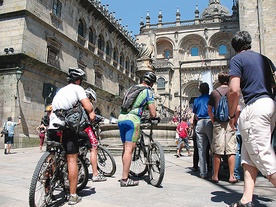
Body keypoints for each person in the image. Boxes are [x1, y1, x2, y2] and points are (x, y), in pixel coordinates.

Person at [228, 31, 276, 207]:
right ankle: (246, 200)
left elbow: (233, 90)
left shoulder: (237, 60)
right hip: (269, 105)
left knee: (263, 156)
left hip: (255, 108)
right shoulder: (265, 60)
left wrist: (232, 114)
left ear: (235, 48)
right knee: (248, 158)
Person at [48, 67, 95, 205]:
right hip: (67, 127)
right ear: (78, 80)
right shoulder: (78, 88)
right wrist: (91, 114)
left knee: (51, 159)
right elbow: (88, 107)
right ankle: (73, 195)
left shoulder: (60, 91)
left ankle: (47, 192)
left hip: (53, 126)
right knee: (71, 159)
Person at [118, 71, 157, 187]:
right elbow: (153, 112)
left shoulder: (132, 88)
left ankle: (126, 173)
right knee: (130, 149)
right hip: (133, 120)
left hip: (121, 118)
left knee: (125, 148)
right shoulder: (148, 91)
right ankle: (125, 179)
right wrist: (153, 116)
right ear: (152, 83)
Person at [208, 72, 237, 183]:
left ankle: (215, 175)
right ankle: (231, 176)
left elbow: (209, 110)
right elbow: (238, 108)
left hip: (218, 123)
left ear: (219, 80)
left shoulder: (214, 93)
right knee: (231, 150)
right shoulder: (233, 91)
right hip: (230, 122)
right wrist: (234, 121)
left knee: (217, 150)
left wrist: (213, 120)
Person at [83, 87, 106, 182]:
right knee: (94, 147)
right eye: (91, 99)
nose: (91, 101)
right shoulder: (87, 103)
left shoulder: (75, 102)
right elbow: (92, 117)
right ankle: (95, 174)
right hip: (85, 127)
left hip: (71, 128)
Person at [192, 82, 213, 179]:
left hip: (200, 123)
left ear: (200, 90)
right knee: (213, 148)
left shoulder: (196, 100)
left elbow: (195, 114)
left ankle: (203, 173)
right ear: (208, 89)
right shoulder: (211, 98)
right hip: (210, 122)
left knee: (201, 149)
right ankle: (214, 171)